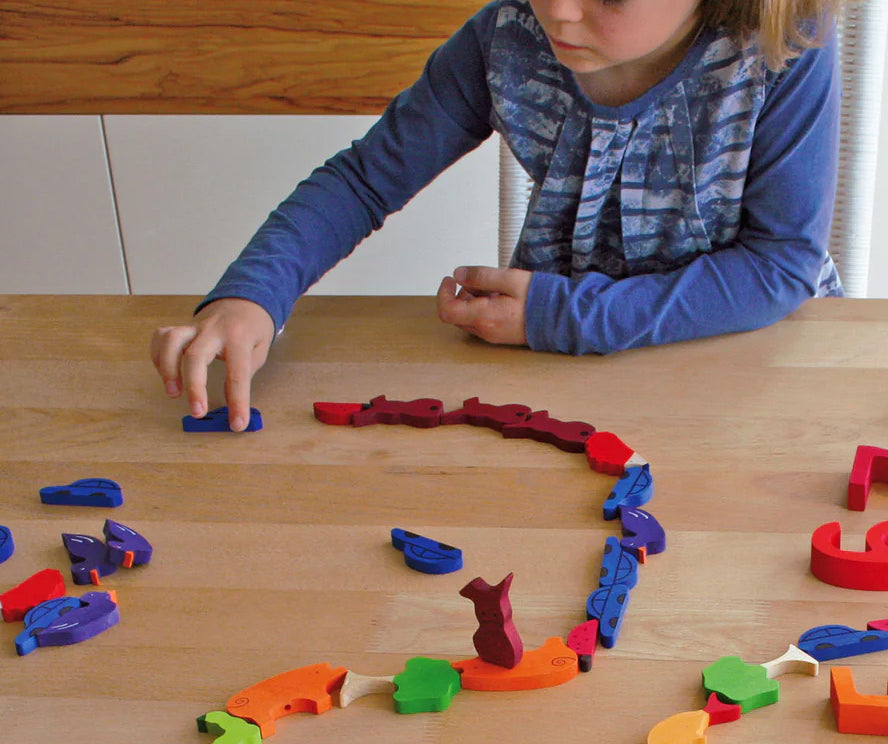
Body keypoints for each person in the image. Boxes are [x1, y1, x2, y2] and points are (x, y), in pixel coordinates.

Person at [151, 0, 844, 430]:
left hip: (739, 361)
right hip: (552, 376)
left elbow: (778, 264)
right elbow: (363, 181)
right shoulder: (503, 40)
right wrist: (252, 296)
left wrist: (564, 316)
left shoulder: (786, 49)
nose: (559, 13)